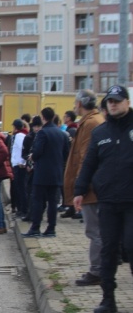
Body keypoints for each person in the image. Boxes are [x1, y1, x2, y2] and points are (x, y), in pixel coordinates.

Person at [74, 85, 133, 313]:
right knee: (108, 250)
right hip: (108, 200)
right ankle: (108, 299)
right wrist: (79, 190)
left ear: (127, 102)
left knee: (130, 246)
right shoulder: (100, 132)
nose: (113, 104)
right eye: (110, 101)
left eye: (117, 100)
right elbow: (89, 163)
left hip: (131, 201)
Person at [63, 89, 104, 287]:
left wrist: (80, 186)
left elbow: (86, 158)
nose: (73, 106)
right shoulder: (92, 121)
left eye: (75, 103)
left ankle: (98, 270)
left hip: (91, 188)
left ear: (80, 104)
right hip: (94, 185)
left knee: (94, 231)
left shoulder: (91, 123)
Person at [22, 107, 69, 238]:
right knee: (53, 202)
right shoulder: (62, 133)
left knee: (38, 200)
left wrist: (32, 157)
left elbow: (37, 152)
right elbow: (66, 153)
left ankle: (35, 227)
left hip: (42, 173)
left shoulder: (43, 133)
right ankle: (51, 228)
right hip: (57, 173)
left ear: (43, 118)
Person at [10, 119, 29, 219]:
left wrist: (22, 162)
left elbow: (22, 148)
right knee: (20, 188)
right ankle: (22, 208)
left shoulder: (19, 136)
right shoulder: (21, 135)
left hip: (19, 165)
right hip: (17, 164)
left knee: (21, 188)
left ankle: (23, 209)